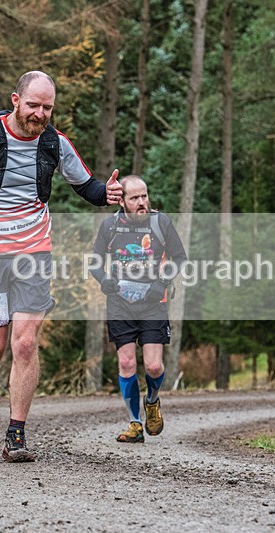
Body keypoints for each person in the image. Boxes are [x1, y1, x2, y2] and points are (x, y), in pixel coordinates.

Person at [0, 71, 122, 462]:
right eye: (33, 105)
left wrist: (107, 194)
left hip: (34, 250)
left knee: (26, 343)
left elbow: (87, 187)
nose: (40, 114)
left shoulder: (55, 143)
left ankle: (16, 433)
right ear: (16, 100)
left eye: (48, 107)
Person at [90, 175, 187, 443]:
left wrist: (163, 282)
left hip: (154, 303)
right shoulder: (109, 226)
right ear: (121, 201)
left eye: (144, 196)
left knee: (154, 367)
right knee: (126, 362)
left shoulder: (161, 222)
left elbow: (180, 258)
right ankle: (134, 423)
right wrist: (105, 281)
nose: (142, 202)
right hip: (120, 303)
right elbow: (95, 263)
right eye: (135, 198)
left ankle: (152, 402)